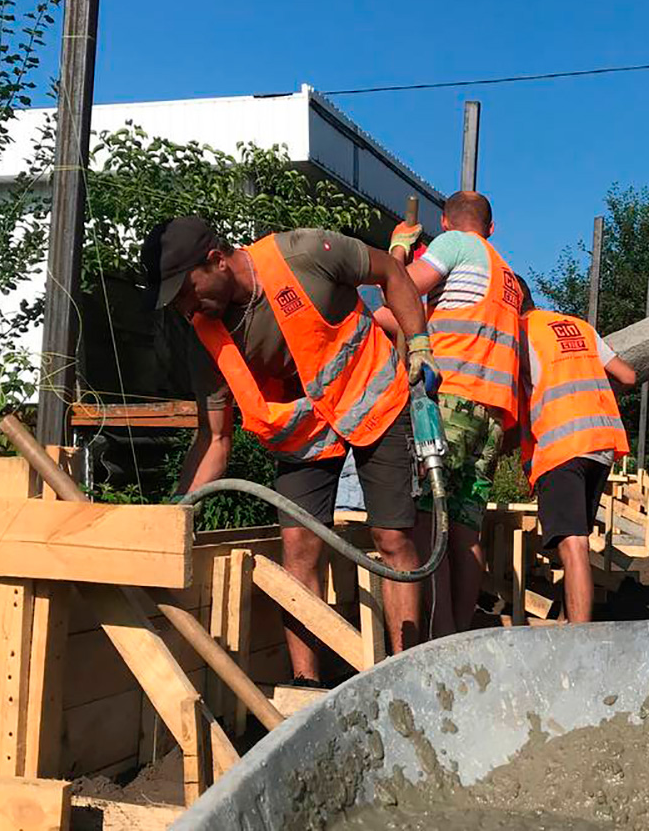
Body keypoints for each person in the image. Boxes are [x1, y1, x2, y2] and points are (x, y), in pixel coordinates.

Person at [142, 216, 438, 678]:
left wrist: (418, 343)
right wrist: (177, 510)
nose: (185, 306)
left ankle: (407, 671)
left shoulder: (304, 253)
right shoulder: (204, 333)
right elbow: (215, 438)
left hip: (374, 400)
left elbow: (391, 271)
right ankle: (307, 683)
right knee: (298, 547)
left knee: (393, 537)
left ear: (217, 261)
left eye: (186, 290)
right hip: (305, 435)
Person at [381, 191, 522, 636]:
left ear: (444, 222)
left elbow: (398, 294)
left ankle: (439, 636)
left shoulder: (455, 244)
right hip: (491, 413)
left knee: (429, 523)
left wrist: (397, 250)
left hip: (451, 402)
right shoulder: (507, 275)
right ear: (492, 228)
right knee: (465, 529)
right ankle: (460, 632)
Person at [516, 276, 635, 623]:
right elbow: (628, 376)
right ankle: (570, 622)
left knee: (572, 544)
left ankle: (580, 639)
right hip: (600, 444)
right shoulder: (578, 326)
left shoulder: (519, 335)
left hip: (561, 445)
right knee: (576, 540)